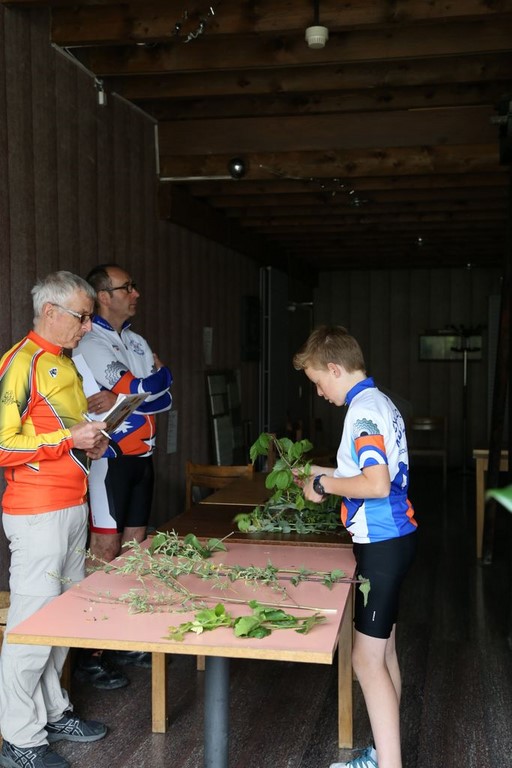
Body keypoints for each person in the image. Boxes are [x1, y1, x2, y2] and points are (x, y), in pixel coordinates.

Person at [292, 326, 417, 768]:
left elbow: (376, 483)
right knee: (383, 654)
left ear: (334, 368)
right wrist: (319, 472)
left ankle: (388, 764)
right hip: (394, 539)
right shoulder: (379, 402)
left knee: (365, 661)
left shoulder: (361, 412)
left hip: (381, 544)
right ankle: (385, 754)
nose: (319, 392)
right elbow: (370, 472)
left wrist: (324, 485)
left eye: (317, 382)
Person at [0, 271, 110, 768]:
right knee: (29, 627)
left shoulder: (64, 363)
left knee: (62, 620)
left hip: (71, 505)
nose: (88, 327)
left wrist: (90, 440)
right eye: (82, 317)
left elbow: (60, 433)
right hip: (36, 513)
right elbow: (4, 443)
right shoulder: (20, 362)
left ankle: (53, 711)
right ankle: (19, 740)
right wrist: (70, 440)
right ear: (51, 312)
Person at [72, 263, 173, 689]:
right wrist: (140, 387)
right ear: (104, 296)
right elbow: (143, 386)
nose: (136, 293)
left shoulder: (136, 339)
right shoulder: (91, 342)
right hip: (108, 460)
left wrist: (127, 393)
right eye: (127, 287)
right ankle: (88, 653)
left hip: (142, 458)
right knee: (104, 550)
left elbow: (164, 395)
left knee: (135, 551)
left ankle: (121, 639)